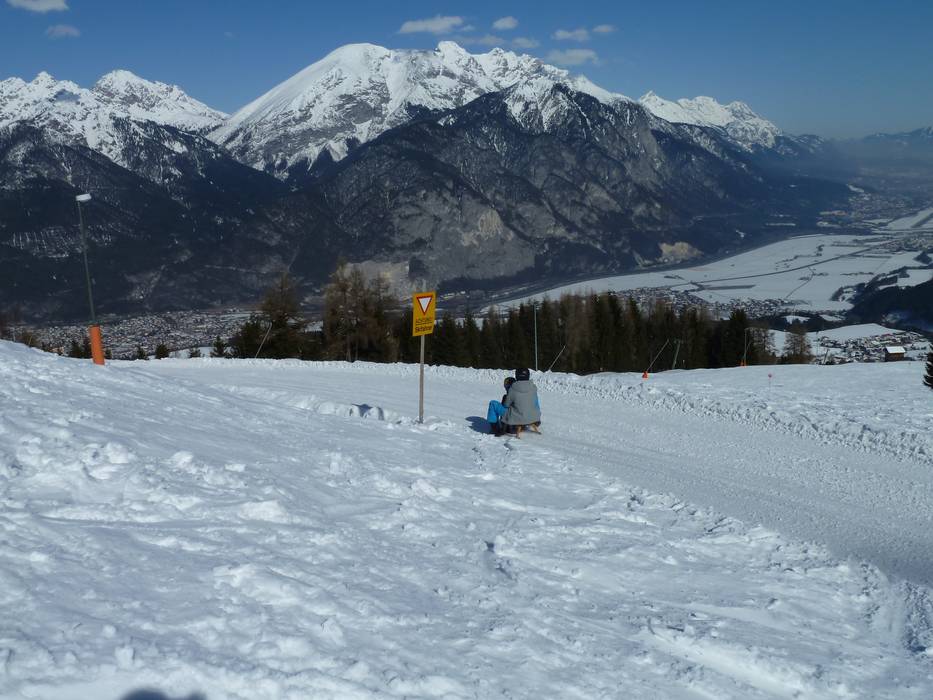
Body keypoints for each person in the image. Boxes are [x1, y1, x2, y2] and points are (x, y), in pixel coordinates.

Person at [503, 367, 541, 438]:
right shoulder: (534, 387)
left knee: (499, 404)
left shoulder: (512, 389)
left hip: (518, 419)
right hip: (534, 418)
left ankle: (497, 425)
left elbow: (506, 405)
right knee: (534, 400)